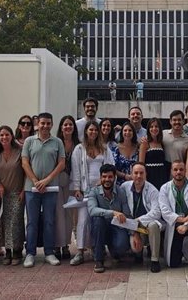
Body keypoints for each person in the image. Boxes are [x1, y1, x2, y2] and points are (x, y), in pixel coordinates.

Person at [21, 112, 65, 267]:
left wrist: (46, 181)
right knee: (32, 222)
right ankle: (30, 253)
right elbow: (25, 163)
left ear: (52, 125)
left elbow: (61, 164)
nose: (45, 126)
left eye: (48, 123)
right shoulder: (29, 141)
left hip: (51, 188)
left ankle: (49, 252)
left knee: (49, 221)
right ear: (37, 124)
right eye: (42, 123)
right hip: (31, 188)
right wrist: (35, 180)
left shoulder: (57, 142)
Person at [69, 120, 115, 266]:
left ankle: (97, 248)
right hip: (85, 189)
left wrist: (104, 181)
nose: (93, 132)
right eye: (91, 130)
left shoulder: (105, 149)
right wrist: (77, 188)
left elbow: (110, 166)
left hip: (102, 189)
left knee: (98, 220)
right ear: (86, 132)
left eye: (96, 130)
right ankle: (80, 251)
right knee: (83, 220)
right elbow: (75, 169)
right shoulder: (79, 149)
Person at [159, 160, 188, 277]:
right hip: (175, 224)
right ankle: (179, 252)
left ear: (185, 171)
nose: (178, 172)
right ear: (171, 171)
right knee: (173, 264)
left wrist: (186, 224)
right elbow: (165, 212)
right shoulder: (165, 188)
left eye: (181, 169)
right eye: (175, 170)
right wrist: (182, 220)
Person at [120, 163, 165, 273]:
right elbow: (122, 210)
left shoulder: (152, 190)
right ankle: (138, 254)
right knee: (136, 248)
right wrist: (134, 229)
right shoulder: (124, 187)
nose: (138, 176)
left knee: (153, 225)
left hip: (148, 223)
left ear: (146, 175)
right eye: (136, 173)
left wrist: (138, 221)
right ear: (131, 174)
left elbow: (157, 212)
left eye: (141, 173)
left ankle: (155, 260)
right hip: (133, 226)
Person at [87, 164, 131, 273]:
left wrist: (132, 234)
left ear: (115, 177)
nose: (107, 179)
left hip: (117, 227)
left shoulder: (120, 192)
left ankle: (114, 250)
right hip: (100, 227)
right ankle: (99, 259)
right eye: (104, 177)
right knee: (97, 220)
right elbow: (92, 210)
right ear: (100, 178)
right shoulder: (94, 192)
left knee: (121, 247)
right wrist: (112, 213)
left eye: (110, 177)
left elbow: (126, 213)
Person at [0, 125, 25, 266]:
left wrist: (24, 189)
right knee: (4, 223)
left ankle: (17, 250)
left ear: (12, 136)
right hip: (3, 194)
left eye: (7, 135)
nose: (4, 138)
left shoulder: (19, 151)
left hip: (17, 192)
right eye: (1, 135)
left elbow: (26, 171)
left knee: (16, 223)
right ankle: (8, 251)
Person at [54, 116, 79, 260]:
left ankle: (66, 245)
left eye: (70, 125)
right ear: (61, 127)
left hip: (72, 182)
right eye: (65, 125)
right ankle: (57, 245)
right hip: (57, 180)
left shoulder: (78, 144)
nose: (68, 127)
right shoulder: (56, 143)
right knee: (58, 214)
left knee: (69, 215)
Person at [138, 118, 168, 191]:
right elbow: (141, 163)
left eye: (156, 126)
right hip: (150, 175)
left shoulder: (161, 142)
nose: (154, 128)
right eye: (151, 127)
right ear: (148, 129)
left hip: (161, 175)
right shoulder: (145, 143)